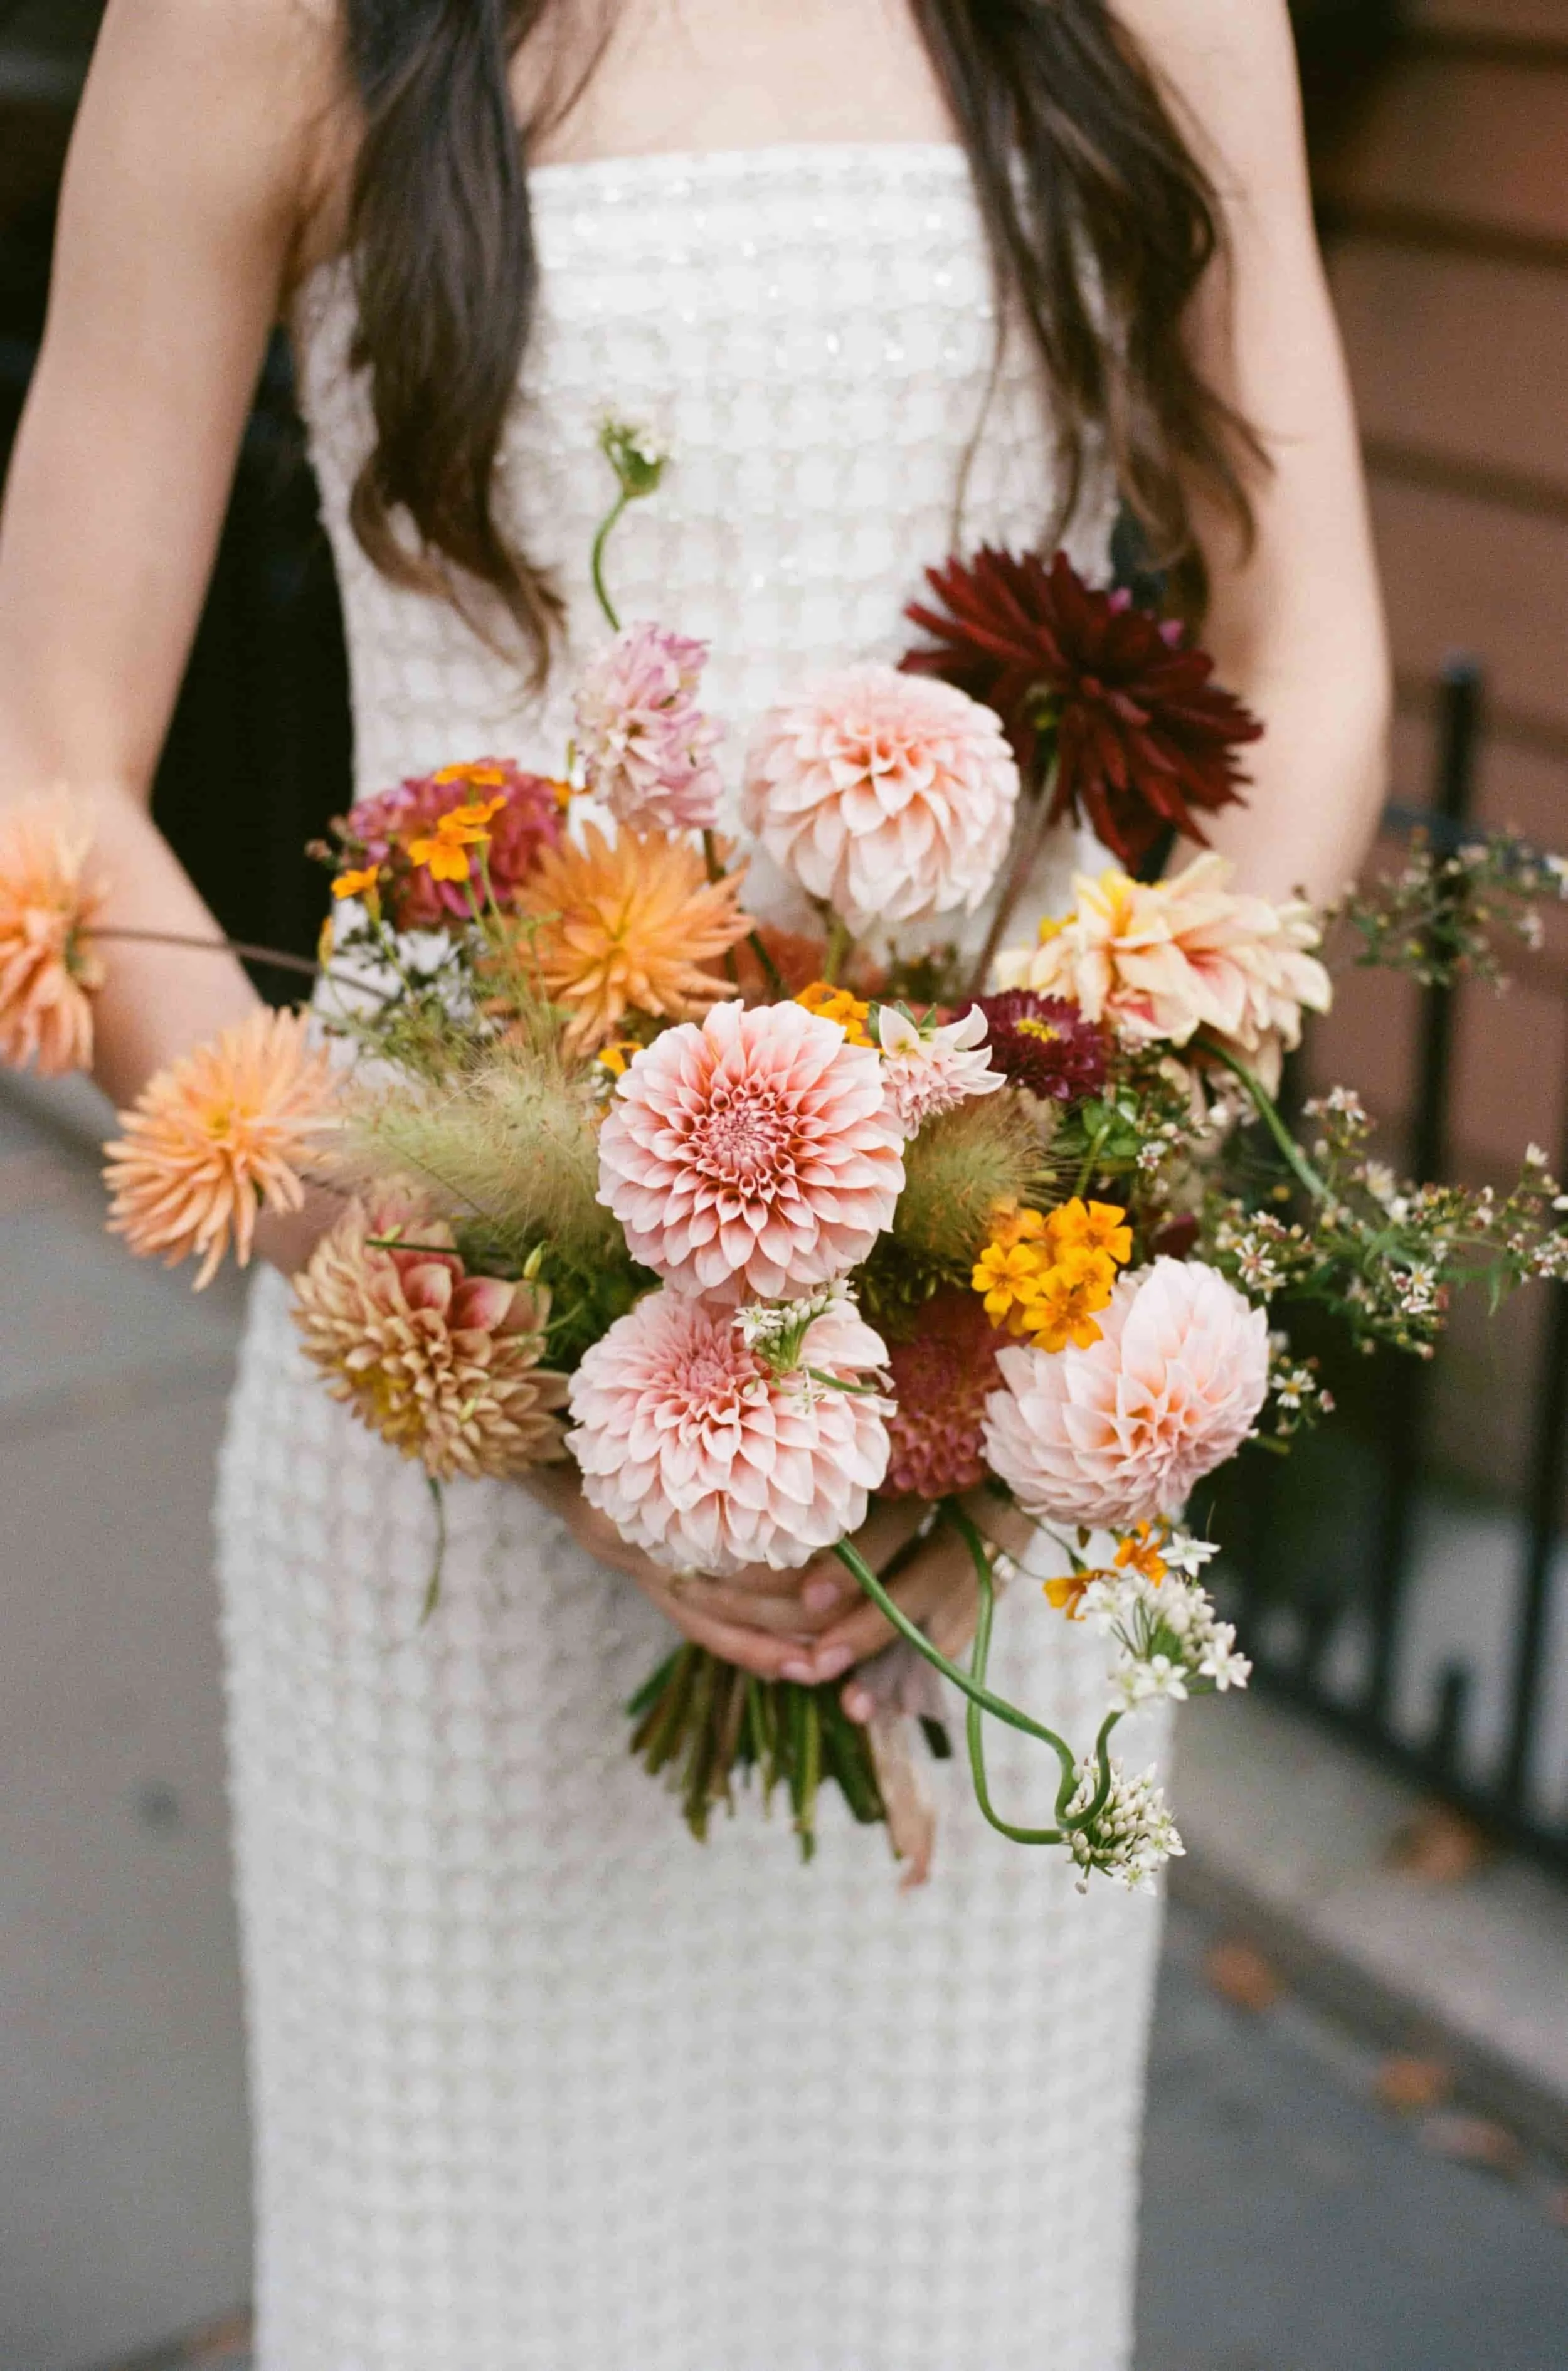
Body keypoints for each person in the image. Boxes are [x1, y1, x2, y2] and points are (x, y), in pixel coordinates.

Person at [0, 3, 1389, 2366]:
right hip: (428, 1429)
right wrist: (506, 1358)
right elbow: (45, 774)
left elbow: (1310, 649)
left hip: (1002, 1433)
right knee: (470, 2275)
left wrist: (1043, 1269)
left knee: (944, 2270)